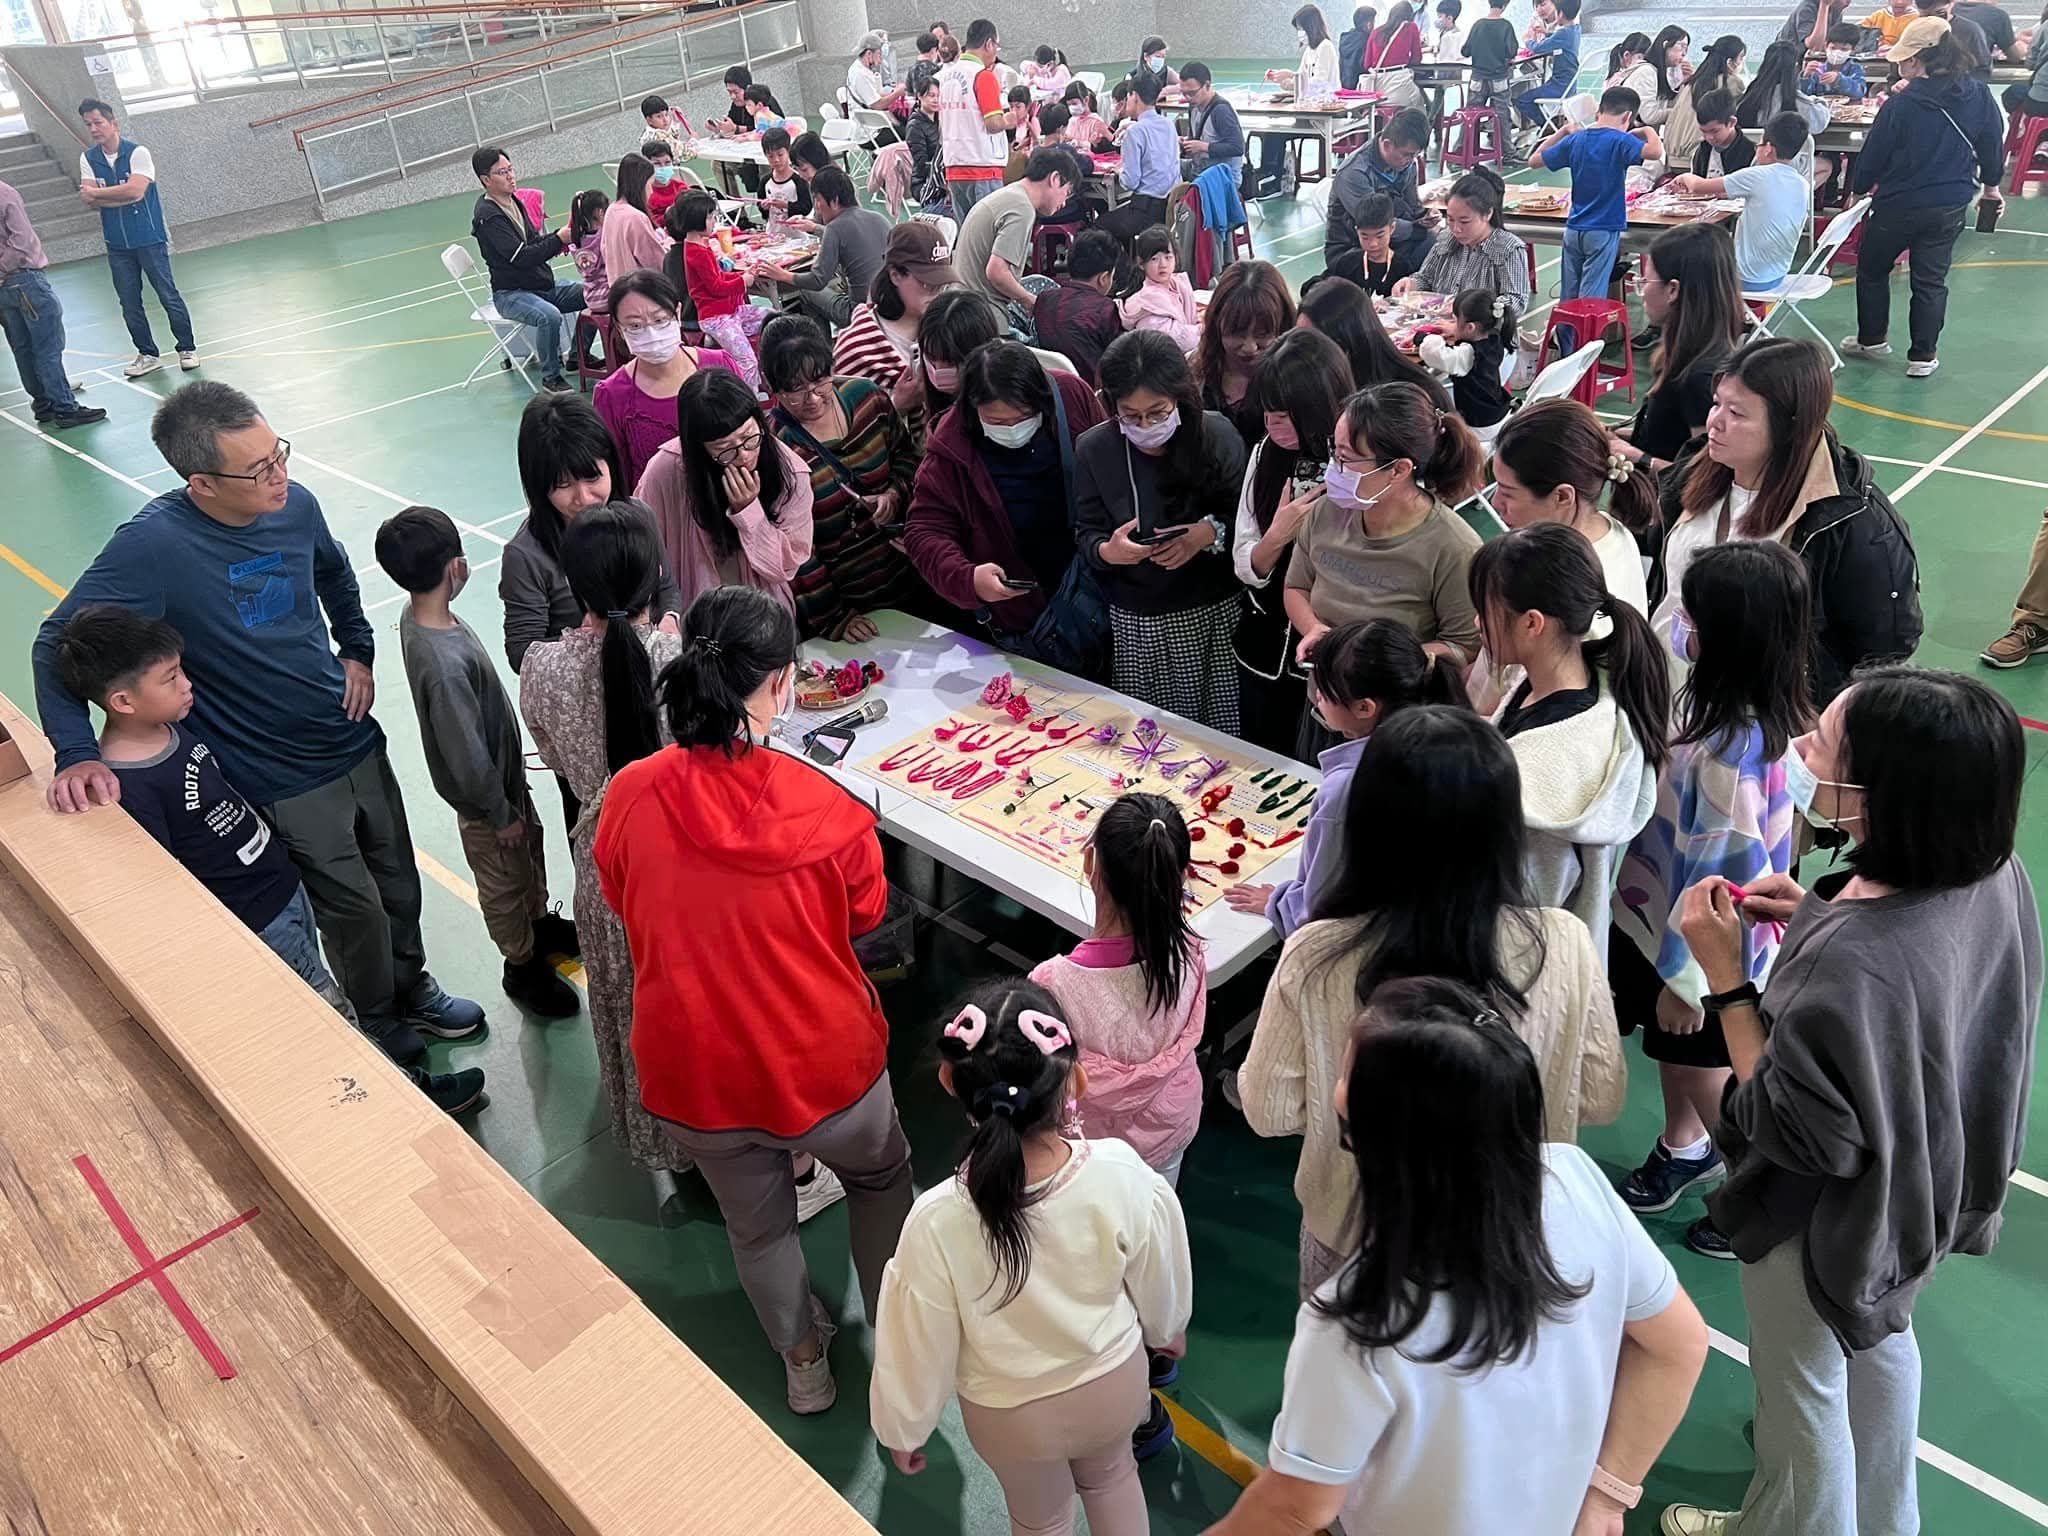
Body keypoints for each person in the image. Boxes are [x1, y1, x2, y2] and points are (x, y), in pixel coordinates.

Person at [1662, 669, 2039, 1536]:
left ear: (1883, 794)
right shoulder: (1994, 871)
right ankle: (1888, 1522)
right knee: (1879, 1340)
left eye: (1824, 746)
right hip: (1920, 1187)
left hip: (1823, 1219)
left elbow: (1785, 1125)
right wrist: (1816, 916)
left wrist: (1727, 978)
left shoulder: (1854, 961)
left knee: (1802, 1398)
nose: (1800, 751)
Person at [33, 381, 485, 1065]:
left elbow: (335, 575)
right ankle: (376, 1016)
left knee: (396, 882)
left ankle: (409, 985)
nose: (280, 476)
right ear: (202, 483)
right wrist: (75, 751)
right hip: (277, 771)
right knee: (352, 907)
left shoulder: (295, 505)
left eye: (279, 454)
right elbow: (54, 642)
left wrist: (356, 649)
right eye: (258, 469)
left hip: (349, 736)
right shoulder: (153, 548)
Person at [1223, 974, 1705, 1536]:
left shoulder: (1356, 1319)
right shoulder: (1574, 1178)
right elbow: (1680, 1345)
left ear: (1376, 1133)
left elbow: (1295, 1507)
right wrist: (1607, 1498)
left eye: (1347, 1073)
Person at [597, 585, 916, 1411]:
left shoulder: (630, 793)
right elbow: (867, 917)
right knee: (882, 1181)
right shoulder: (829, 808)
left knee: (759, 1227)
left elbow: (622, 892)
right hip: (825, 1065)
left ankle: (803, 1364)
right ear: (780, 683)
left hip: (696, 1072)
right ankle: (898, 1348)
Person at [1238, 708, 1625, 1294]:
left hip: (1353, 1229)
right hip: (1509, 1231)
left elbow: (1268, 1110)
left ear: (1369, 821)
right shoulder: (1564, 944)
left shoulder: (1317, 953)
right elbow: (1600, 1095)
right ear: (1505, 823)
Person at [49, 606, 489, 1117]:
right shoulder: (128, 787)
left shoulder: (171, 730)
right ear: (123, 701)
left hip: (283, 891)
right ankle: (405, 1103)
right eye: (170, 678)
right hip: (256, 921)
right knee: (329, 1016)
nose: (187, 685)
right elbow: (165, 885)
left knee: (325, 995)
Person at [870, 979, 1192, 1523]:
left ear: (950, 1081)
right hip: (1112, 1385)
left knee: (1040, 1522)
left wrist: (904, 1426)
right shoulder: (1120, 1172)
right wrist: (1167, 1327)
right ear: (1077, 1080)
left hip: (1009, 1415)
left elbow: (916, 1337)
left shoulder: (936, 1219)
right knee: (1115, 1480)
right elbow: (1159, 1267)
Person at [1609, 540, 1810, 1257]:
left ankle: (1752, 1192)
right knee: (1676, 1054)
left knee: (1703, 1067)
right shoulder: (1730, 707)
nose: (1679, 624)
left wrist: (1689, 983)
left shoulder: (1730, 758)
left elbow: (1722, 887)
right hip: (1661, 920)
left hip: (1697, 953)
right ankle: (1685, 1147)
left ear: (1723, 634)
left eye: (1690, 615)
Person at [373, 505, 579, 1022]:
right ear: (456, 567)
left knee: (528, 861)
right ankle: (521, 965)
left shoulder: (421, 616)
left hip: (505, 787)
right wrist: (498, 812)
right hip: (489, 805)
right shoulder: (443, 664)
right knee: (504, 884)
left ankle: (539, 925)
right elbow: (464, 751)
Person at [1659, 339, 1923, 701]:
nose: (1715, 422)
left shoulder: (1851, 522)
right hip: (1668, 692)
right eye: (1716, 403)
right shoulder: (1693, 471)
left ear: (1787, 426)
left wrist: (1807, 706)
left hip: (1765, 712)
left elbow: (1884, 645)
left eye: (1736, 413)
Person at [1471, 523, 1667, 959]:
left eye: (1484, 611)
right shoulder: (1572, 679)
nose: (1476, 623)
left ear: (1532, 623)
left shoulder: (1548, 774)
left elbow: (1525, 913)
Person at [1227, 619, 1470, 935]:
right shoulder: (1449, 744)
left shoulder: (1349, 786)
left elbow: (1321, 902)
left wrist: (1280, 903)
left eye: (1325, 691)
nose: (1317, 697)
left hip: (1368, 940)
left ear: (1365, 707)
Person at [1285, 380, 1484, 757]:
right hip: (1325, 710)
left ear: (1398, 469)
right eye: (1334, 451)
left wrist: (1367, 666)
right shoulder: (1327, 512)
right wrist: (1313, 629)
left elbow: (1464, 647)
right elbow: (1296, 587)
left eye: (1347, 458)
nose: (1334, 468)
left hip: (1396, 735)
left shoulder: (1453, 548)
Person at [1030, 794, 1207, 1190]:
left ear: (1090, 862)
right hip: (1169, 1126)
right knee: (1155, 1211)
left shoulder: (1053, 983)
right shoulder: (1191, 954)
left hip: (1091, 1149)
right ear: (1182, 876)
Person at [1076, 331, 1247, 729]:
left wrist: (1207, 533)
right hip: (1138, 621)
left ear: (1179, 399)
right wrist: (1108, 551)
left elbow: (1249, 517)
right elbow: (1085, 532)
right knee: (1150, 736)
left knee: (1217, 735)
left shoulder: (1215, 435)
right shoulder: (1095, 449)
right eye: (1131, 416)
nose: (1146, 425)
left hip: (1211, 612)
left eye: (1157, 412)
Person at [904, 336, 1108, 655]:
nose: (1013, 429)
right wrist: (969, 579)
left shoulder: (1069, 395)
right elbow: (924, 532)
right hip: (1023, 612)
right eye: (997, 422)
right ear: (972, 410)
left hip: (1097, 584)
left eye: (1025, 417)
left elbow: (1111, 463)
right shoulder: (951, 447)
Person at [1842, 20, 2005, 377]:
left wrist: (1857, 191)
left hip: (1898, 204)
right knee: (1930, 281)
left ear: (1917, 60)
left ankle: (1872, 339)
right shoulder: (1978, 94)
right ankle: (1923, 356)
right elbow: (1992, 142)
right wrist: (1992, 187)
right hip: (1950, 203)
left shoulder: (1901, 104)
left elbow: (1874, 154)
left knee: (1872, 268)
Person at [759, 316, 924, 642]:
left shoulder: (868, 399)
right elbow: (794, 550)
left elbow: (907, 459)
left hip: (910, 575)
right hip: (846, 605)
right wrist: (835, 617)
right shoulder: (775, 450)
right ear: (770, 385)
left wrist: (893, 494)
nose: (813, 399)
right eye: (795, 390)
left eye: (820, 381)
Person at [1228, 329, 1352, 752]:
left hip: (1330, 651)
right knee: (1260, 751)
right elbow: (1244, 559)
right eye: (1266, 413)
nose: (1271, 425)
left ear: (1317, 406)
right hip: (1264, 645)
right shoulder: (1265, 453)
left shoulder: (1356, 462)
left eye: (1282, 416)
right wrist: (1277, 536)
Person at [503, 391, 682, 682]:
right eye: (563, 485)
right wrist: (581, 640)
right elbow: (521, 651)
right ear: (538, 487)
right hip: (584, 686)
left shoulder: (640, 517)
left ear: (610, 463)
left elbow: (667, 586)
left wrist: (670, 618)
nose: (584, 498)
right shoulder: (526, 556)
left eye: (593, 477)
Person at [637, 369, 814, 615]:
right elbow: (644, 551)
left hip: (761, 612)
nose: (744, 456)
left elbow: (783, 567)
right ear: (698, 447)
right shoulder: (666, 470)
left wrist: (749, 513)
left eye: (749, 437)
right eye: (724, 449)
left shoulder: (790, 473)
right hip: (692, 611)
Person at [1492, 399, 1656, 616]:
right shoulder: (1612, 528)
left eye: (1507, 492)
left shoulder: (1551, 581)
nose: (1495, 503)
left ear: (1562, 496)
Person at [75, 98, 197, 378]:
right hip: (117, 245)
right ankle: (147, 354)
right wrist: (117, 194)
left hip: (149, 239)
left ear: (113, 123)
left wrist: (101, 194)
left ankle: (187, 348)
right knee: (129, 302)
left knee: (168, 295)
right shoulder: (88, 158)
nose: (93, 129)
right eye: (88, 124)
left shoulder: (138, 153)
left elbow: (136, 191)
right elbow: (88, 198)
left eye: (98, 122)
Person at [591, 269, 739, 490]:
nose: (651, 334)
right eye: (635, 326)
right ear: (620, 328)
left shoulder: (721, 365)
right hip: (656, 506)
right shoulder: (611, 395)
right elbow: (616, 474)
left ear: (677, 312)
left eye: (659, 320)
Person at [470, 145, 584, 391]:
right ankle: (551, 377)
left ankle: (577, 356)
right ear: (486, 180)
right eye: (502, 172)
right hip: (511, 294)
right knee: (549, 316)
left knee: (593, 294)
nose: (511, 176)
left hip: (540, 285)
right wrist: (559, 239)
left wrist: (559, 236)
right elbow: (521, 257)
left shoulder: (514, 201)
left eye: (510, 169)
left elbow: (533, 242)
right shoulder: (488, 216)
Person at [1531, 88, 1661, 301]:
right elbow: (1655, 152)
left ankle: (1565, 324)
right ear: (1628, 117)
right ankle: (1588, 325)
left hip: (1573, 229)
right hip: (1603, 229)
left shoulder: (1577, 139)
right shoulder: (1621, 140)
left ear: (1598, 112)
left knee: (1569, 297)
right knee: (1591, 299)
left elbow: (1534, 160)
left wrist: (1563, 131)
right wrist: (1647, 131)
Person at [0, 177, 106, 428]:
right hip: (24, 280)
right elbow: (22, 241)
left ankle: (43, 404)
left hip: (3, 290)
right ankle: (65, 408)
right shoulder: (4, 193)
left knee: (22, 349)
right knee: (47, 348)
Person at [834, 221, 955, 436]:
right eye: (927, 282)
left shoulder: (947, 327)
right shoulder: (857, 347)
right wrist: (897, 404)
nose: (936, 292)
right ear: (895, 275)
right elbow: (844, 431)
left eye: (942, 283)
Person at [1673, 113, 1814, 292]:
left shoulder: (1756, 175)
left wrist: (1684, 176)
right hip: (1778, 276)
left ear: (1768, 148)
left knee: (1687, 262)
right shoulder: (1802, 183)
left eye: (1759, 144)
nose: (1757, 149)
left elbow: (1699, 186)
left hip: (1745, 278)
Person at [752, 168, 888, 332]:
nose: (817, 207)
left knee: (806, 291)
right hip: (890, 306)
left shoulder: (835, 228)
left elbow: (817, 281)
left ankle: (822, 345)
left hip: (861, 312)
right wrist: (814, 228)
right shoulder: (879, 218)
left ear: (835, 201)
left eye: (818, 200)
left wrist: (783, 275)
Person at [1393, 165, 1533, 323]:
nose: (1456, 229)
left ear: (1488, 214)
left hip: (1484, 334)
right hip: (1441, 326)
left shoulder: (1508, 249)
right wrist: (1411, 284)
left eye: (1465, 221)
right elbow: (1426, 277)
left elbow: (1516, 302)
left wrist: (1471, 309)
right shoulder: (1446, 238)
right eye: (1450, 219)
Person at [955, 146, 1077, 318]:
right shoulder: (1022, 208)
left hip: (962, 304)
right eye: (1067, 192)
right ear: (1055, 179)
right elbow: (997, 272)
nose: (1064, 203)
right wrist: (1030, 301)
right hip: (980, 313)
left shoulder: (1011, 194)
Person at [1298, 275, 1451, 408]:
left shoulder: (1405, 399)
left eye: (1311, 342)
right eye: (1298, 336)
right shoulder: (1317, 383)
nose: (1300, 350)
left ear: (1345, 341)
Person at [1196, 258, 1298, 449]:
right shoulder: (1196, 377)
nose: (1250, 347)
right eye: (1237, 333)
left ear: (1283, 326)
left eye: (1263, 334)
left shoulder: (1297, 381)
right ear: (1217, 325)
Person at [1326, 108, 1436, 281]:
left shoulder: (1406, 164)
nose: (1411, 160)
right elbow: (1374, 224)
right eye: (1407, 154)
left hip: (1394, 238)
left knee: (1442, 246)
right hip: (1355, 247)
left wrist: (1426, 216)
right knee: (1426, 251)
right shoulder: (1354, 173)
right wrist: (1418, 230)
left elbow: (1413, 207)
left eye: (1416, 155)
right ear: (1386, 145)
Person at [671, 191, 766, 389]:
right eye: (710, 217)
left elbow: (718, 277)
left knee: (772, 320)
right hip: (717, 318)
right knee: (747, 361)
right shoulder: (697, 252)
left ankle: (763, 382)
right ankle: (751, 397)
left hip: (729, 312)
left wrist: (743, 275)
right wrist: (743, 281)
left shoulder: (700, 245)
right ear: (696, 219)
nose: (714, 221)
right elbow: (716, 287)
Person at [1254, 6, 1344, 192]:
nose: (1300, 33)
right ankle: (1268, 174)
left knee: (1275, 134)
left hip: (1324, 115)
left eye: (1301, 28)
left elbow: (1317, 84)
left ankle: (1274, 179)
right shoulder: (1309, 52)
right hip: (1307, 113)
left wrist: (1292, 77)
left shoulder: (1325, 48)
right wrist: (1282, 80)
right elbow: (1299, 82)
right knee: (1268, 130)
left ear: (1311, 26)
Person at [1033, 229, 1125, 386]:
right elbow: (1120, 359)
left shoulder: (1044, 299)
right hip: (1092, 392)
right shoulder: (1106, 309)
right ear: (1104, 278)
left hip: (1050, 388)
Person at [1418, 287, 1514, 438]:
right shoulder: (1495, 338)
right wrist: (1457, 331)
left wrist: (1424, 338)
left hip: (1479, 425)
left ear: (1470, 327)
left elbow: (1434, 354)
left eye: (1455, 320)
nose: (1452, 324)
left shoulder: (1468, 355)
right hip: (1496, 411)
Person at [938, 18, 1011, 214]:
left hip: (954, 166)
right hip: (982, 166)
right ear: (989, 44)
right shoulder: (983, 76)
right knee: (988, 229)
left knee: (966, 231)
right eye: (997, 46)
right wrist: (1009, 120)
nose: (996, 53)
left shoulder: (945, 77)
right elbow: (993, 123)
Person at [1102, 71, 1180, 246]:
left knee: (1099, 226)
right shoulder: (1168, 124)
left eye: (1128, 96)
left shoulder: (1135, 133)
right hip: (1169, 206)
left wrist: (1120, 171)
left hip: (1145, 211)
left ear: (1135, 96)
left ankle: (1124, 263)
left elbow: (1131, 182)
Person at [1661, 35, 1749, 171]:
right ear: (1730, 62)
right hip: (1699, 156)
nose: (1742, 63)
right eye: (1741, 58)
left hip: (1673, 155)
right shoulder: (1730, 84)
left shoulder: (1693, 81)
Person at [1117, 226, 1202, 352]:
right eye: (1154, 259)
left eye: (1168, 257)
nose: (1163, 265)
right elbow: (1181, 341)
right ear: (1141, 263)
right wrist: (1203, 329)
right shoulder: (1149, 302)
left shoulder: (1177, 283)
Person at [600, 153, 672, 295]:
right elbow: (655, 261)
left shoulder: (612, 210)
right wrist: (669, 245)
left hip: (618, 290)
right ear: (640, 184)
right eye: (650, 185)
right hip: (642, 292)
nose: (651, 191)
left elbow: (604, 249)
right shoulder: (635, 217)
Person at [1514, 0, 1583, 131]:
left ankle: (1547, 126)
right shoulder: (1576, 29)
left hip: (1559, 86)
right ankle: (1549, 123)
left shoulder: (1563, 33)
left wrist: (1528, 40)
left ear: (1560, 14)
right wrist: (1546, 33)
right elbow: (1559, 39)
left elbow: (1538, 48)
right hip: (1570, 84)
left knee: (1523, 100)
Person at [1328, 191, 1414, 295]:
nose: (1373, 244)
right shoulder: (1347, 263)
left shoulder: (1403, 267)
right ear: (1357, 231)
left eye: (1379, 236)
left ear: (1392, 228)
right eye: (1365, 236)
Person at [1176, 61, 1246, 181]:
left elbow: (1237, 147)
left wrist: (1204, 147)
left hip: (1222, 177)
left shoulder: (1221, 111)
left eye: (1192, 93)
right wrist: (1186, 141)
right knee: (1163, 165)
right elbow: (1197, 137)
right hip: (1200, 167)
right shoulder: (1194, 106)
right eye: (1184, 93)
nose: (1187, 98)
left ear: (1207, 85)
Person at [1362, 1, 1428, 112]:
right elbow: (1416, 58)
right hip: (1400, 83)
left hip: (1377, 91)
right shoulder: (1411, 27)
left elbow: (1367, 64)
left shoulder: (1376, 32)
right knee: (1419, 105)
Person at [1686, 89, 1756, 179]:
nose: (1709, 137)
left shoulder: (1750, 153)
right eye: (1703, 131)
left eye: (1715, 131)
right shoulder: (1701, 152)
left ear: (1732, 122)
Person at [1462, 0, 1519, 109]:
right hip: (1499, 78)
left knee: (1472, 113)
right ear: (1504, 5)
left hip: (1478, 78)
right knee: (1500, 113)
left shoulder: (1478, 25)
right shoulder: (1506, 26)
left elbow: (1465, 51)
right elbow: (1512, 52)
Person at [566, 188, 612, 320]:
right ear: (600, 212)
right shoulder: (604, 236)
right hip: (608, 296)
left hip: (590, 298)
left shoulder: (577, 240)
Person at [905, 76, 948, 211]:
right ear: (919, 96)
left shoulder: (942, 118)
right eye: (931, 95)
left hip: (942, 175)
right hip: (924, 182)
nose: (936, 100)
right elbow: (922, 165)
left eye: (938, 96)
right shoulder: (915, 126)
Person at [758, 128, 815, 219]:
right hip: (773, 227)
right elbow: (761, 206)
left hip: (795, 227)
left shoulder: (799, 180)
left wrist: (786, 205)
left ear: (788, 151)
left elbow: (806, 207)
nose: (776, 160)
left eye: (780, 154)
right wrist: (763, 207)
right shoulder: (765, 181)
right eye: (771, 156)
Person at [848, 28, 906, 116]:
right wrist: (897, 93)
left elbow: (876, 94)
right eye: (879, 54)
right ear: (869, 54)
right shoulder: (860, 74)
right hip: (869, 119)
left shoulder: (861, 68)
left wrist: (894, 91)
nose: (881, 60)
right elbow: (877, 105)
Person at [1641, 24, 1691, 126]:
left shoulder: (1661, 72)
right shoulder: (1646, 72)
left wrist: (1683, 82)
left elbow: (1668, 105)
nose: (1684, 53)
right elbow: (1649, 116)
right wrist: (1682, 113)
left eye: (1686, 49)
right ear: (1665, 45)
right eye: (1682, 47)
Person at [1805, 22, 1872, 96]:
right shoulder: (1818, 69)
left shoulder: (1856, 68)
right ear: (1826, 46)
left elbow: (1860, 92)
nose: (1837, 52)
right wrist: (1806, 76)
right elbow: (1804, 94)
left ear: (1853, 50)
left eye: (1844, 49)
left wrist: (1839, 80)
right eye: (1833, 48)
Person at [642, 140, 684, 225]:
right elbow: (647, 221)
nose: (663, 167)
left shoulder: (681, 187)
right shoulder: (645, 193)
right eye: (657, 163)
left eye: (667, 162)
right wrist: (668, 215)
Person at [1607, 30, 1657, 99]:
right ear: (1626, 55)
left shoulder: (1620, 75)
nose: (1643, 62)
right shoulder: (1618, 78)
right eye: (1640, 58)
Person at [638, 94, 689, 160]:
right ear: (649, 120)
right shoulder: (657, 135)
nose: (665, 120)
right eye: (659, 116)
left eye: (666, 115)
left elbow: (672, 136)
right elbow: (678, 151)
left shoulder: (650, 132)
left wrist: (676, 122)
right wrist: (692, 144)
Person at [1340, 4, 1378, 87]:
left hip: (1345, 87)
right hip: (1360, 87)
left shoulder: (1346, 39)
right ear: (1369, 24)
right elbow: (1366, 66)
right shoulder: (1365, 40)